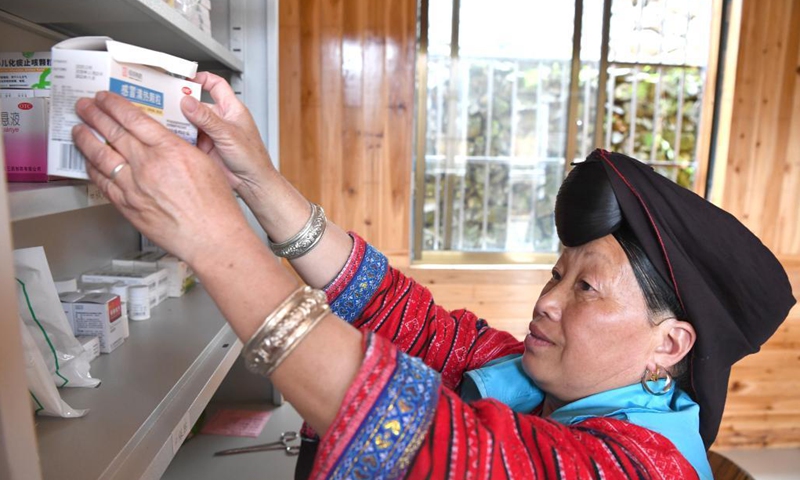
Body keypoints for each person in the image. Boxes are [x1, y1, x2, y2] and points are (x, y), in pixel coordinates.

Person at [71, 73, 795, 480]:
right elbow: (396, 309)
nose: (545, 301)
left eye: (585, 288)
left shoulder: (641, 469)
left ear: (669, 346)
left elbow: (429, 439)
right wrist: (253, 177)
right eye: (556, 273)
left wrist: (214, 237)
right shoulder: (533, 374)